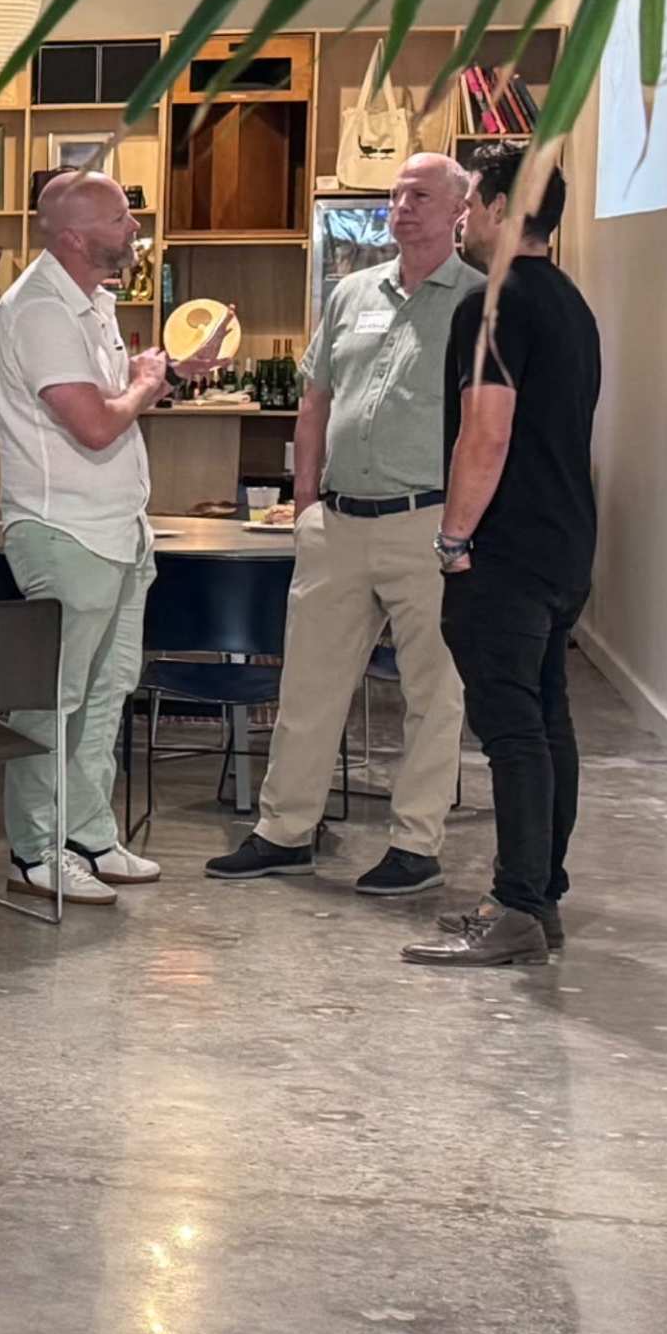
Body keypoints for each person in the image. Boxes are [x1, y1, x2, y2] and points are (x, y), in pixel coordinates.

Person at [204, 151, 474, 897]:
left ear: (459, 209)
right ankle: (284, 830)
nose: (403, 206)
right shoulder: (353, 292)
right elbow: (315, 398)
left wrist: (465, 524)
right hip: (338, 522)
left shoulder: (478, 301)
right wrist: (306, 501)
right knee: (308, 685)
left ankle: (415, 843)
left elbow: (488, 421)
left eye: (420, 194)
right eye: (395, 195)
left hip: (427, 522)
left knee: (432, 691)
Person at [410, 148, 601, 969]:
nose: (465, 220)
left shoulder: (490, 308)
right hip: (566, 544)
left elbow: (485, 433)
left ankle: (519, 905)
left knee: (512, 729)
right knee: (546, 716)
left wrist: (453, 539)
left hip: (507, 550)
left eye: (473, 204)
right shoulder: (568, 303)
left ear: (495, 208)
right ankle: (538, 894)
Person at [0, 172, 170, 905]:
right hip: (65, 532)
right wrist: (147, 388)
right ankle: (34, 850)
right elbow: (94, 422)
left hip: (118, 531)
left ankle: (88, 832)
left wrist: (154, 370)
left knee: (105, 694)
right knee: (54, 699)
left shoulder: (91, 302)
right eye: (122, 218)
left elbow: (101, 394)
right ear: (72, 235)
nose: (134, 228)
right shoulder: (38, 310)